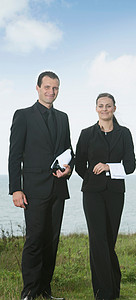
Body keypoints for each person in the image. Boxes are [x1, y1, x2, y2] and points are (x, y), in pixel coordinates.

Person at [8, 71, 73, 300]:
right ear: (37, 88)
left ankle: (46, 291)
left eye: (55, 88)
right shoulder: (23, 116)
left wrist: (69, 168)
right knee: (35, 239)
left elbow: (68, 151)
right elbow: (14, 155)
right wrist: (16, 188)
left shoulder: (63, 117)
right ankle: (29, 292)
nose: (51, 92)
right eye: (47, 87)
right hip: (33, 190)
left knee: (51, 241)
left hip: (58, 188)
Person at [75, 93, 136, 300]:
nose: (104, 109)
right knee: (97, 240)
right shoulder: (86, 134)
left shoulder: (124, 133)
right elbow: (79, 164)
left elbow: (130, 165)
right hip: (92, 194)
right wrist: (93, 179)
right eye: (100, 106)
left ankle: (113, 288)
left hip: (115, 194)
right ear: (96, 109)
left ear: (114, 108)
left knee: (109, 241)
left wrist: (108, 168)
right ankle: (103, 293)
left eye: (108, 106)